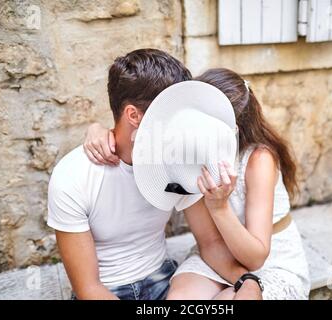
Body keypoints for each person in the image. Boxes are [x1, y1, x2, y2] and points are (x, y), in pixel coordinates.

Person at [48, 49, 260, 300]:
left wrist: (246, 281)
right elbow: (89, 289)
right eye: (169, 112)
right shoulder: (73, 176)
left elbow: (210, 243)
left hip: (163, 282)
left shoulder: (178, 162)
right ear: (133, 115)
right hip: (106, 292)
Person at [85, 68, 310, 300]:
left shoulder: (259, 160)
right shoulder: (187, 156)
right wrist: (99, 131)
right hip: (218, 254)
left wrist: (219, 207)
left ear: (231, 130)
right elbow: (210, 242)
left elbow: (255, 258)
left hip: (270, 260)